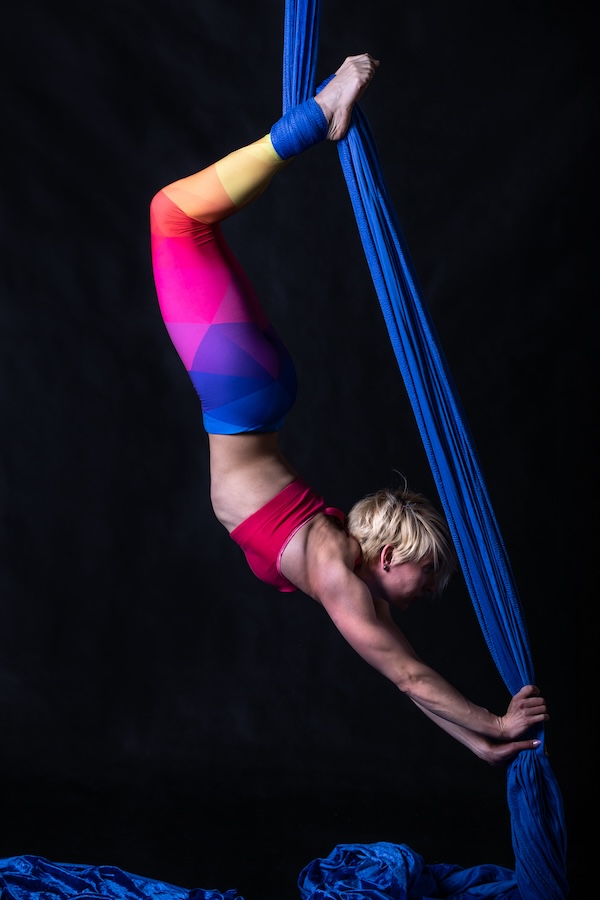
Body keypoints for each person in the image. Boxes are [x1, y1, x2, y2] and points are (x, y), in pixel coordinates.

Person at [150, 53, 548, 766]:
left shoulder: (341, 570)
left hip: (251, 395)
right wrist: (492, 720)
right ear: (389, 555)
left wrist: (480, 742)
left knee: (186, 222)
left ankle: (313, 117)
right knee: (175, 218)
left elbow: (404, 676)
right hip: (242, 398)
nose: (427, 592)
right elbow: (408, 672)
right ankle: (316, 114)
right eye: (425, 576)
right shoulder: (337, 566)